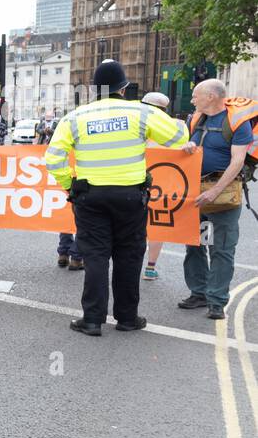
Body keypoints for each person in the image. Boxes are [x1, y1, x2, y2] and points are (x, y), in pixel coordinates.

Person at [44, 59, 190, 336]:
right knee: (129, 255)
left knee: (95, 256)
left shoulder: (75, 116)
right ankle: (127, 318)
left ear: (94, 90)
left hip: (90, 197)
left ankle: (92, 320)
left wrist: (70, 186)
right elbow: (179, 137)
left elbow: (53, 159)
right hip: (130, 197)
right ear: (123, 88)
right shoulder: (141, 112)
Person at [178, 78, 258, 321]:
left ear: (211, 96)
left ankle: (216, 301)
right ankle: (199, 293)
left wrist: (214, 191)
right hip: (195, 191)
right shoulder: (195, 119)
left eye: (195, 95)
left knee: (222, 248)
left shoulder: (237, 123)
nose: (192, 99)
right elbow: (185, 149)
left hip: (222, 194)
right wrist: (188, 146)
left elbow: (236, 162)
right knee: (194, 243)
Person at [141, 92, 174, 280]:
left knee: (132, 225)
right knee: (157, 224)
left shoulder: (136, 122)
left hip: (134, 181)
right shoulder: (172, 126)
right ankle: (150, 268)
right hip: (163, 183)